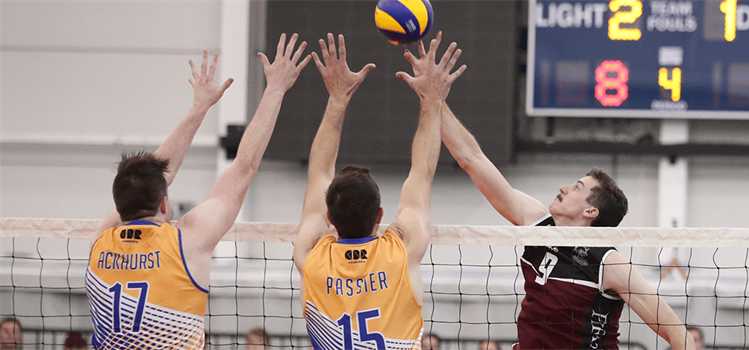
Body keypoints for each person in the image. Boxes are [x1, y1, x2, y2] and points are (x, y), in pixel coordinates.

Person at [433, 35, 695, 349]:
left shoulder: (610, 264)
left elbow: (677, 333)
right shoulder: (538, 225)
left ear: (591, 211)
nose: (563, 188)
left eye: (577, 188)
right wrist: (434, 100)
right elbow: (472, 160)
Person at [85, 34, 311, 349]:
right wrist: (274, 89)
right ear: (164, 203)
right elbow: (242, 168)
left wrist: (199, 107)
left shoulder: (100, 242)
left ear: (118, 206)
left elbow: (161, 173)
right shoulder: (186, 242)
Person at [293, 32, 465, 350]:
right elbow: (422, 173)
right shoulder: (401, 252)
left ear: (329, 216)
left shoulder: (311, 259)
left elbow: (318, 174)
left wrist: (337, 100)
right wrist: (431, 101)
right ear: (380, 215)